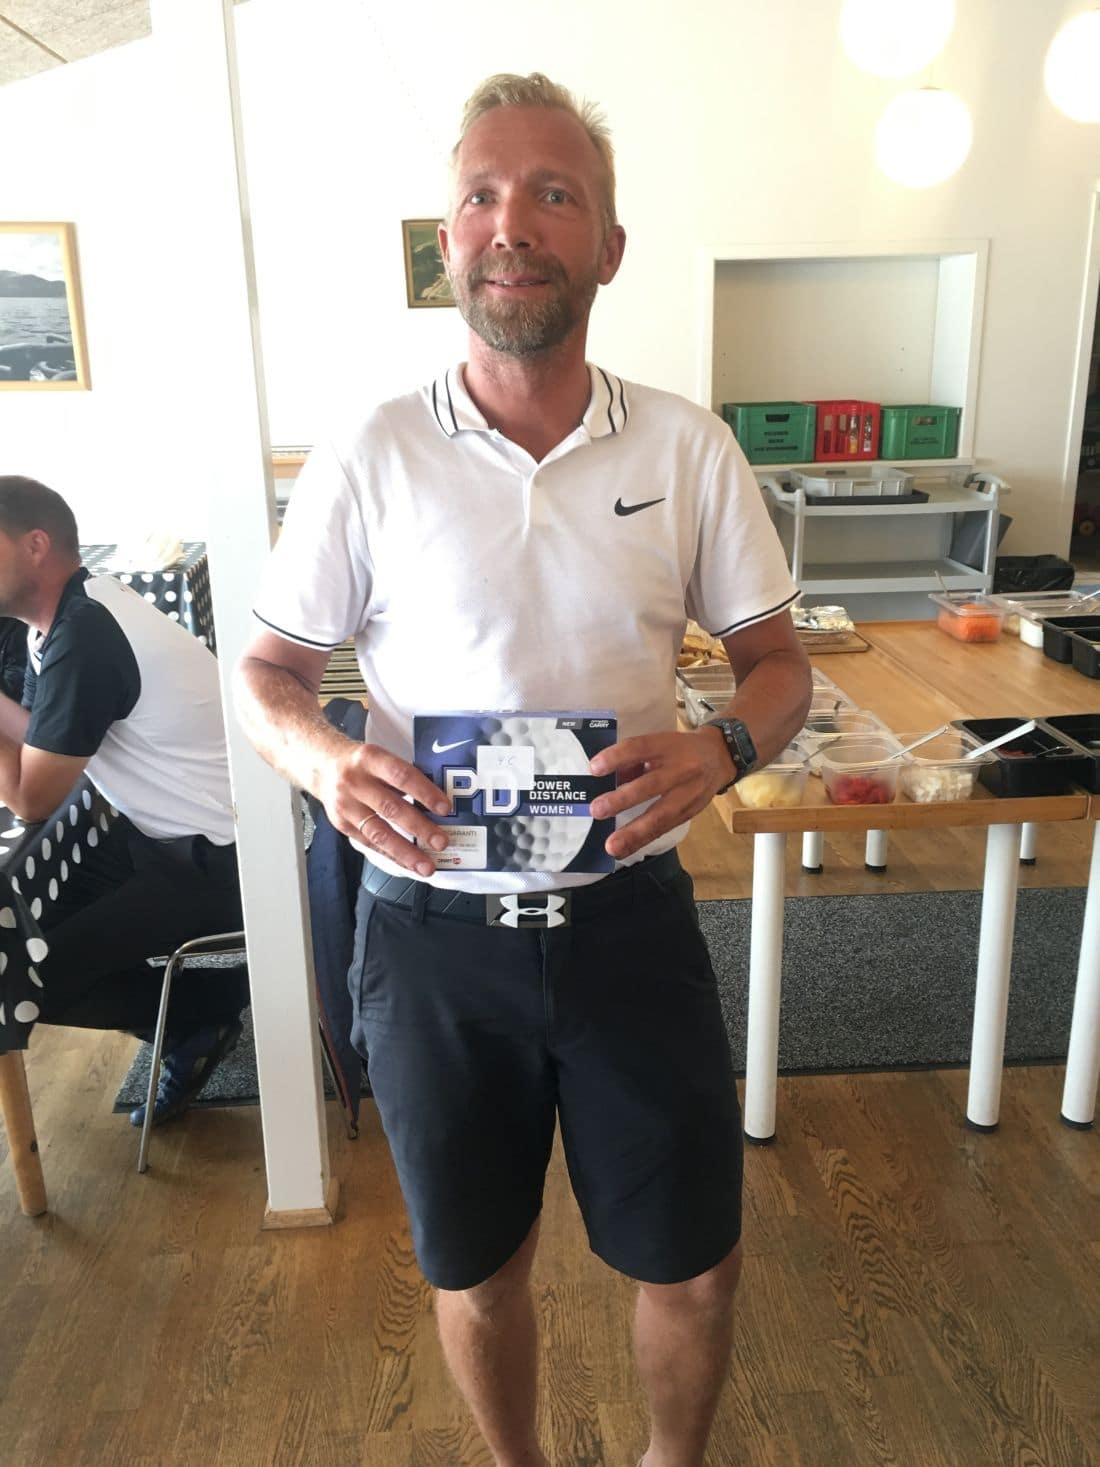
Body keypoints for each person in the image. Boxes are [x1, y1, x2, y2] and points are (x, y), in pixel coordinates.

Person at [235, 73, 812, 1467]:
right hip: (432, 940)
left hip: (628, 926)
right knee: (475, 1272)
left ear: (607, 244)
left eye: (554, 194)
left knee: (693, 1268)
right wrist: (324, 759)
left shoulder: (685, 445)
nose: (513, 224)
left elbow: (777, 665)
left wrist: (725, 743)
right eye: (482, 196)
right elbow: (264, 672)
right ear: (450, 242)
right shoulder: (371, 451)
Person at [0, 475, 248, 1127]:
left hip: (227, 863)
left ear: (34, 545)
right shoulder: (76, 613)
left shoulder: (84, 636)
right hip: (169, 836)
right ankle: (202, 1008)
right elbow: (45, 737)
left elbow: (29, 797)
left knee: (19, 975)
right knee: (26, 930)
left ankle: (204, 1010)